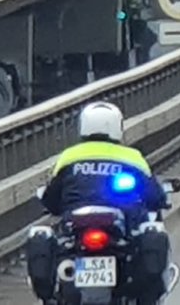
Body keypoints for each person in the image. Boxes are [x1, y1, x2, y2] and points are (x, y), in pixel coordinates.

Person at [37, 101, 172, 303]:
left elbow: (52, 200)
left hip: (77, 228)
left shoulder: (68, 157)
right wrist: (162, 199)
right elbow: (155, 196)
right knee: (146, 239)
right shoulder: (132, 157)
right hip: (119, 229)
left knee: (61, 250)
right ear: (117, 126)